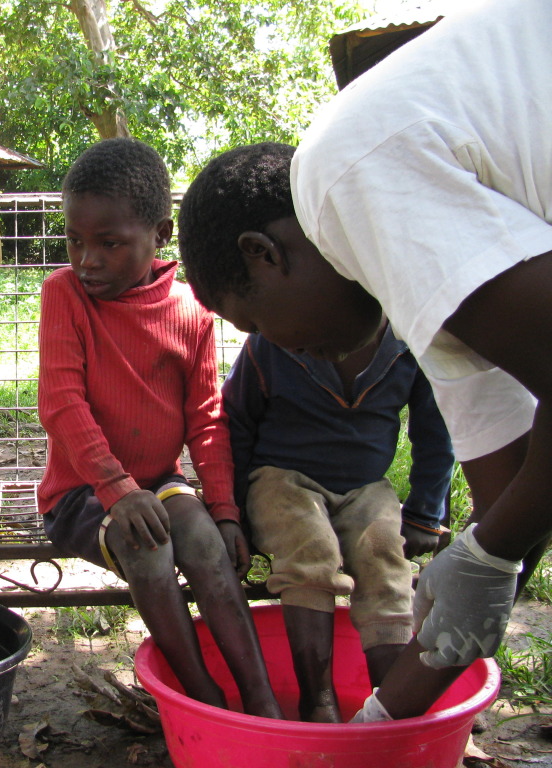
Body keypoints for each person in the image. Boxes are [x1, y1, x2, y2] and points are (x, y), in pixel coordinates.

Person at [179, 0, 552, 718]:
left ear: (264, 255)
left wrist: (490, 546)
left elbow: (501, 534)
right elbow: (515, 508)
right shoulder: (436, 294)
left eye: (253, 319)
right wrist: (381, 725)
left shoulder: (341, 171)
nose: (276, 347)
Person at [37, 137, 283, 717]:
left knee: (201, 541)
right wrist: (118, 491)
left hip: (160, 484)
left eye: (109, 243)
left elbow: (206, 418)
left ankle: (261, 699)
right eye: (75, 240)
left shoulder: (191, 311)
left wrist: (224, 509)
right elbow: (62, 403)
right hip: (80, 494)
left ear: (161, 235)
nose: (86, 259)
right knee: (145, 544)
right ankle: (202, 700)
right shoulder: (64, 295)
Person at [223, 325, 454, 721]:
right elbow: (236, 420)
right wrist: (234, 512)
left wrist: (424, 514)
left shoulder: (409, 343)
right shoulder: (273, 338)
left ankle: (389, 705)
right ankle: (318, 698)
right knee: (312, 548)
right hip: (281, 479)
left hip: (365, 486)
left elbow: (436, 430)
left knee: (384, 557)